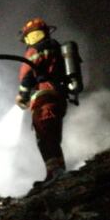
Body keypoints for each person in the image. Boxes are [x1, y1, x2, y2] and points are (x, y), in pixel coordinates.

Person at [16, 18, 83, 187]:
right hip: (56, 98)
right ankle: (54, 173)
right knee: (50, 137)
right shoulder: (54, 48)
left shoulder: (36, 50)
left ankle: (56, 174)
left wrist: (22, 96)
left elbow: (29, 75)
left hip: (44, 98)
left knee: (46, 138)